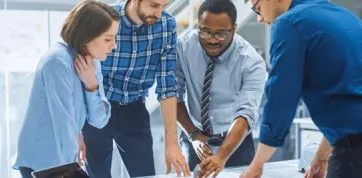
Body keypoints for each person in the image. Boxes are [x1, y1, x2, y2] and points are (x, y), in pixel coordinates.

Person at [240, 0, 362, 178]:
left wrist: (256, 166)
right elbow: (346, 98)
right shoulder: (343, 15)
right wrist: (321, 157)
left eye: (257, 8)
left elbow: (280, 98)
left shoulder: (289, 23)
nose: (259, 18)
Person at [82, 0, 191, 177]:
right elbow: (82, 72)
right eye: (154, 5)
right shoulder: (104, 18)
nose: (159, 13)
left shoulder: (167, 25)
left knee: (145, 174)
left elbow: (167, 85)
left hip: (135, 109)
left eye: (164, 6)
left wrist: (171, 143)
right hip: (98, 107)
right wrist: (77, 129)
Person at [13, 1, 119, 178]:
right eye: (108, 39)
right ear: (87, 36)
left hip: (62, 159)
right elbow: (64, 124)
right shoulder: (57, 62)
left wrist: (91, 85)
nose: (114, 45)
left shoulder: (92, 61)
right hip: (42, 163)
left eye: (114, 38)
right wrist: (72, 169)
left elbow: (99, 120)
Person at [176, 0, 267, 177]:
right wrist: (194, 135)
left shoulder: (251, 62)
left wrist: (222, 156)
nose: (211, 40)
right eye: (205, 32)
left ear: (233, 28)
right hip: (192, 134)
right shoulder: (183, 47)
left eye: (220, 34)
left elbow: (245, 114)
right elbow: (174, 96)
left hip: (236, 141)